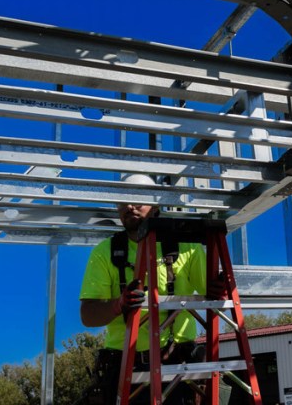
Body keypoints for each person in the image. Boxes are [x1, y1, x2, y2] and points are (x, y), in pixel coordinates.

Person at [79, 173, 210, 404]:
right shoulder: (104, 252)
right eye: (122, 202)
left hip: (178, 365)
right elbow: (88, 315)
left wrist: (219, 287)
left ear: (156, 204)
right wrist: (118, 305)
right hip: (125, 365)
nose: (129, 206)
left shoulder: (186, 246)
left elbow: (214, 296)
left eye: (137, 200)